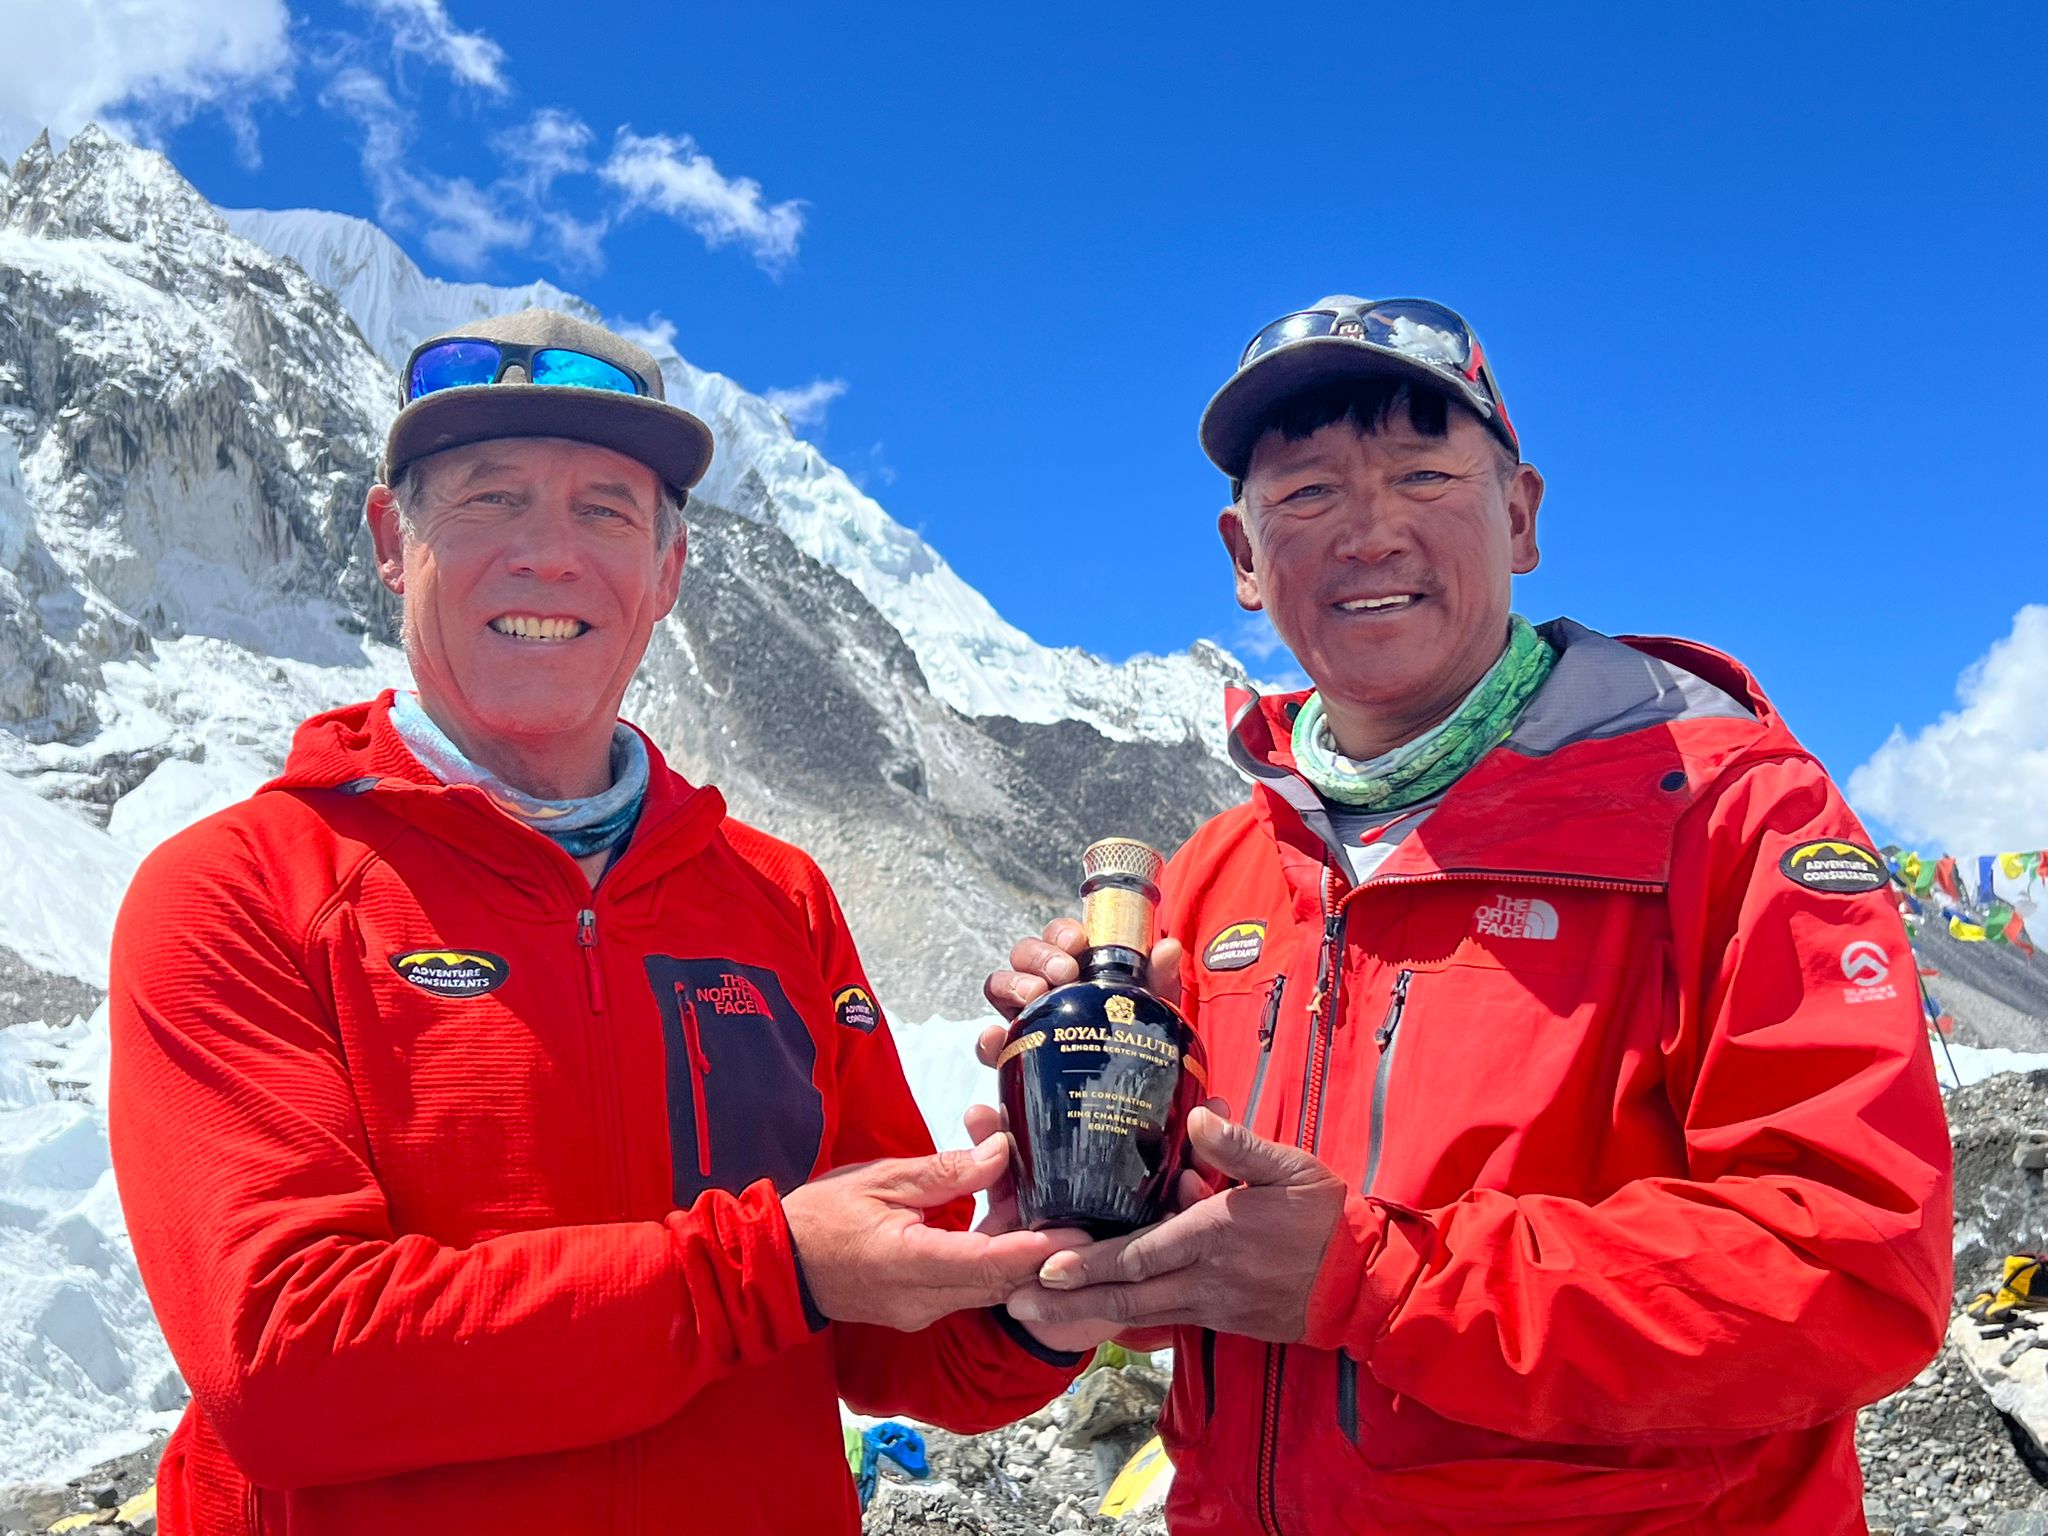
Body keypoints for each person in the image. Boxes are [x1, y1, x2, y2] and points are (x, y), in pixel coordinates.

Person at [107, 309, 1089, 1534]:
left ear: (667, 572)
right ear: (387, 541)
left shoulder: (777, 899)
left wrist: (1040, 1282)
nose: (548, 556)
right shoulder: (243, 887)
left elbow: (890, 1344)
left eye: (604, 512)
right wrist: (763, 1272)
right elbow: (285, 1362)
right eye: (489, 499)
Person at [982, 296, 1953, 1534]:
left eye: (1423, 474)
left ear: (1519, 514)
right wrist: (1072, 1211)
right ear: (1241, 554)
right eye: (1306, 496)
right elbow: (1222, 1257)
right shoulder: (1221, 871)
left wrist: (1373, 1283)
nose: (1369, 533)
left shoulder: (1728, 811)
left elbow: (1853, 1272)